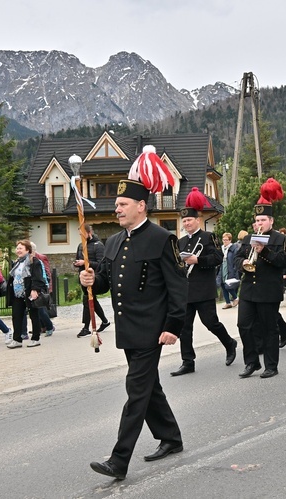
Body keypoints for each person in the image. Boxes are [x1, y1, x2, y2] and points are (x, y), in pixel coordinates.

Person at [85, 148, 188, 480]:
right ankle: (170, 437)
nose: (117, 209)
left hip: (152, 330)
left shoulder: (162, 239)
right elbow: (103, 282)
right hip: (127, 329)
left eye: (122, 205)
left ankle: (119, 459)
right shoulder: (113, 242)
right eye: (116, 205)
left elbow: (177, 287)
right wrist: (89, 279)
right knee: (149, 388)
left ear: (141, 206)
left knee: (136, 391)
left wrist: (174, 326)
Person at [171, 189, 238, 376]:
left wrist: (198, 260)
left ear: (197, 221)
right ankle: (187, 361)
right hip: (186, 291)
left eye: (189, 220)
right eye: (184, 221)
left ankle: (229, 343)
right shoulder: (181, 241)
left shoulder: (210, 237)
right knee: (185, 328)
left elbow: (218, 258)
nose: (186, 223)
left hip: (204, 290)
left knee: (211, 323)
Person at [235, 179, 286, 379]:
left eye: (263, 220)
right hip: (249, 289)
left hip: (268, 291)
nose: (259, 224)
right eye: (257, 221)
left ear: (271, 221)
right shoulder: (248, 238)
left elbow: (284, 261)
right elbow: (238, 258)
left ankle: (271, 365)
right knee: (243, 325)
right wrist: (242, 264)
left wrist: (264, 251)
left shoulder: (281, 239)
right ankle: (251, 362)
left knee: (269, 329)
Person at [6, 240, 48, 348]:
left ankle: (35, 338)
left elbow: (37, 277)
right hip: (18, 294)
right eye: (17, 248)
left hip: (29, 292)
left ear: (27, 250)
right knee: (16, 316)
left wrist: (35, 290)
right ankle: (17, 339)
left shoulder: (33, 261)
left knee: (34, 315)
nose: (18, 250)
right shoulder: (17, 263)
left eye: (21, 248)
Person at [74, 224, 110, 337]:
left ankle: (86, 327)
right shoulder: (80, 246)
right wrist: (77, 263)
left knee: (87, 300)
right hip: (83, 277)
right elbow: (78, 258)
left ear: (89, 233)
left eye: (83, 234)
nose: (81, 236)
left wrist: (86, 263)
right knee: (91, 301)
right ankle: (105, 321)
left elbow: (101, 264)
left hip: (95, 278)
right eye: (80, 234)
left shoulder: (98, 246)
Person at [30, 241, 56, 337]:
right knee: (35, 308)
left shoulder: (40, 257)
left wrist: (49, 287)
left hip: (41, 286)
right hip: (31, 287)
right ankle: (40, 327)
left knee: (41, 308)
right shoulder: (26, 259)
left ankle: (49, 326)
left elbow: (47, 272)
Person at [217, 232, 240, 308]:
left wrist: (234, 270)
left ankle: (236, 298)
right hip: (222, 268)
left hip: (230, 269)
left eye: (226, 240)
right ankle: (228, 302)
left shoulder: (234, 249)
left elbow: (235, 260)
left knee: (228, 286)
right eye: (223, 240)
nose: (225, 241)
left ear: (230, 240)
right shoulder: (221, 248)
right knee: (223, 285)